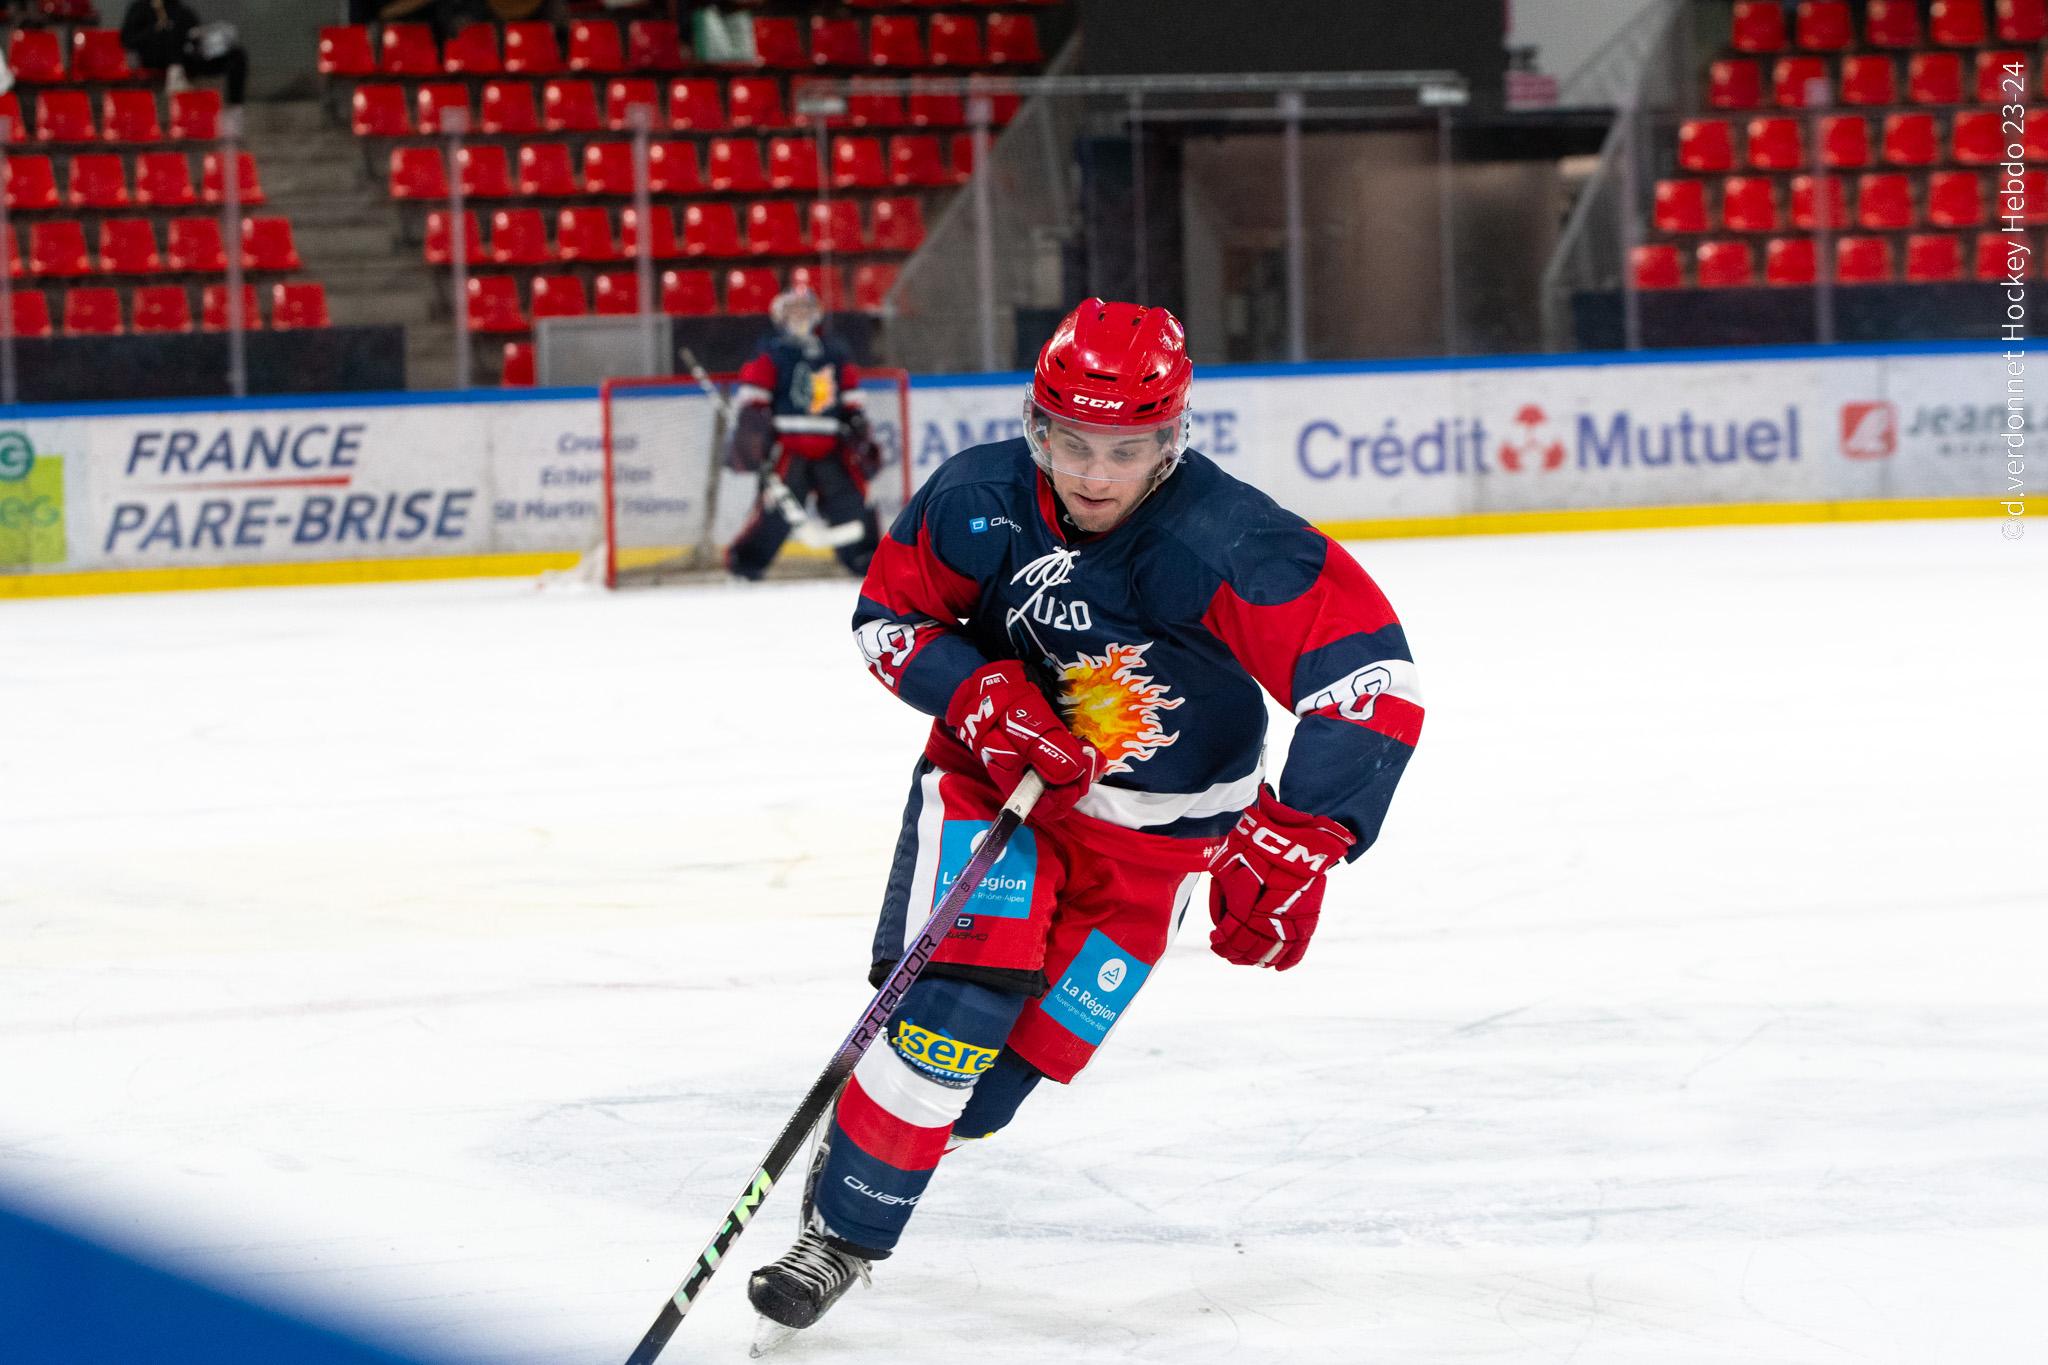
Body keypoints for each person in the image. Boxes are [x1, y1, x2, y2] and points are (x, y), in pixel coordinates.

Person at [744, 299, 1426, 1338]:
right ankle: (838, 1238)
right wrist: (977, 696)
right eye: (1072, 442)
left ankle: (869, 1137)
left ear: (1174, 435)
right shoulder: (976, 499)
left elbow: (1369, 678)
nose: (1095, 473)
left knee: (990, 1092)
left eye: (1129, 446)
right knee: (950, 1022)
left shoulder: (1228, 539)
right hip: (1000, 797)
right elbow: (888, 617)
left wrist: (1309, 831)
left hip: (1155, 848)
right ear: (1036, 424)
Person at [724, 286, 883, 581]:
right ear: (780, 316)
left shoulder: (834, 350)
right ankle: (745, 563)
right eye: (793, 311)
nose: (799, 317)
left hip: (832, 443)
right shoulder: (772, 349)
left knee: (850, 498)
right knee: (778, 506)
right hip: (788, 443)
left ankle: (866, 559)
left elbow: (850, 394)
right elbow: (754, 395)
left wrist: (856, 421)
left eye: (805, 310)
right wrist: (754, 432)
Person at [120, 0, 247, 105]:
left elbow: (195, 38)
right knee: (169, 31)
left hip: (187, 58)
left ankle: (235, 107)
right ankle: (175, 74)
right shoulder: (139, 8)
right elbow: (127, 40)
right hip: (154, 58)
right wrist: (155, 31)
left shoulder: (182, 11)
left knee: (237, 55)